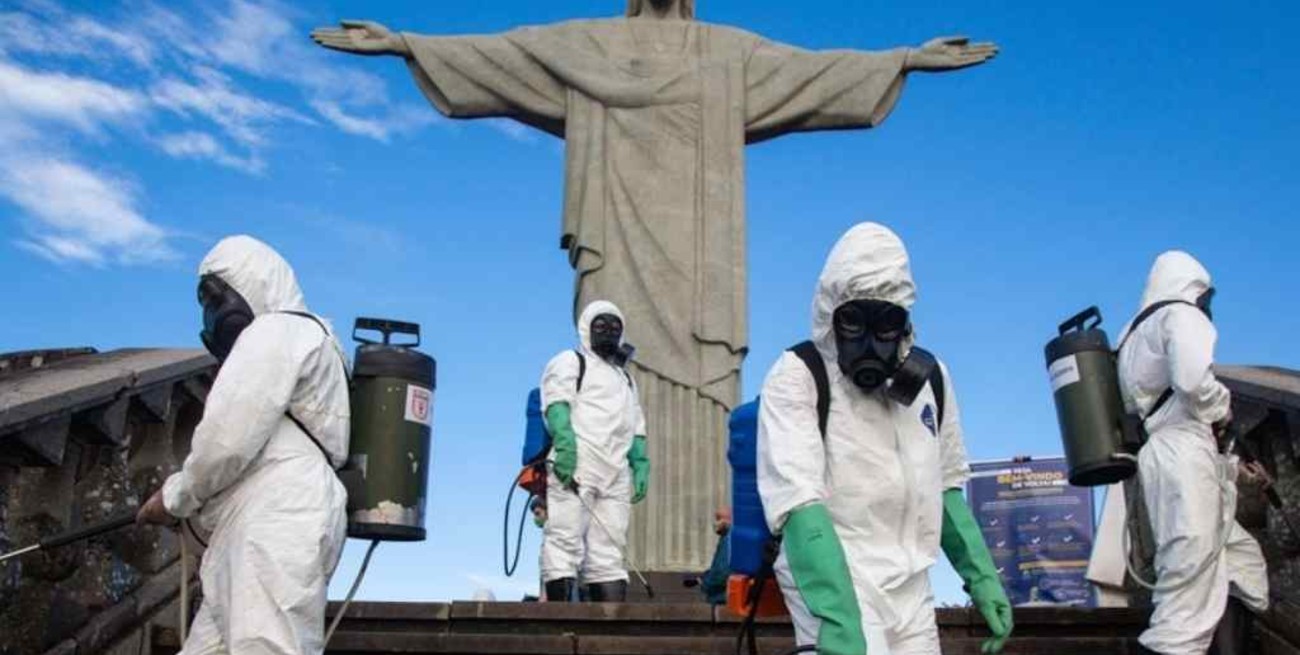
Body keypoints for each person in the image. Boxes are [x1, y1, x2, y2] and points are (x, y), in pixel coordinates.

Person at [757, 222, 1012, 655]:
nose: (871, 344)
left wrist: (983, 578)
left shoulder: (932, 381)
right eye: (854, 322)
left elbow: (945, 486)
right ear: (830, 315)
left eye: (887, 324)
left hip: (911, 582)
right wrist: (838, 617)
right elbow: (798, 503)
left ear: (905, 323)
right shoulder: (798, 375)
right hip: (837, 568)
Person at [136, 235, 350, 654]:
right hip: (263, 520)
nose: (211, 316)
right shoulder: (319, 345)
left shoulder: (278, 329)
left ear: (248, 283)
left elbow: (226, 440)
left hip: (277, 515)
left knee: (265, 647)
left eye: (214, 300)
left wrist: (174, 497)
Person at [1118, 251, 1268, 654]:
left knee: (1242, 563)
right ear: (1193, 286)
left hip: (1169, 452)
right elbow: (1192, 382)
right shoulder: (1182, 315)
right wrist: (1223, 404)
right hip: (1183, 454)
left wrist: (1233, 468)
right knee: (1188, 588)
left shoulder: (1131, 335)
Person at [539, 300, 651, 603]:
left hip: (615, 470)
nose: (609, 332)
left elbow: (635, 423)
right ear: (587, 328)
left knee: (610, 545)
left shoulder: (625, 378)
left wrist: (640, 462)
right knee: (565, 536)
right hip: (579, 462)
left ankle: (608, 618)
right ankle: (560, 615)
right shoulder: (571, 361)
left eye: (615, 327)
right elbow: (557, 404)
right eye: (601, 325)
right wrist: (565, 447)